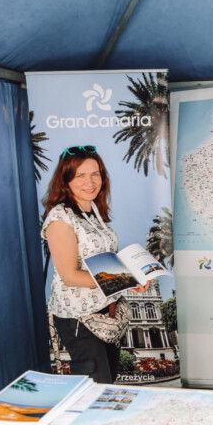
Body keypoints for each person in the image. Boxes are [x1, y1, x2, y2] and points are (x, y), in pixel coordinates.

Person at [41, 145, 150, 383]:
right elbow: (70, 276)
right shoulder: (61, 218)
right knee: (95, 388)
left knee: (107, 383)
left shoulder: (93, 213)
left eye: (95, 174)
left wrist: (136, 273)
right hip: (80, 318)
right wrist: (125, 280)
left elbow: (104, 263)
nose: (90, 181)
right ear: (65, 180)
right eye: (80, 175)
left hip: (105, 313)